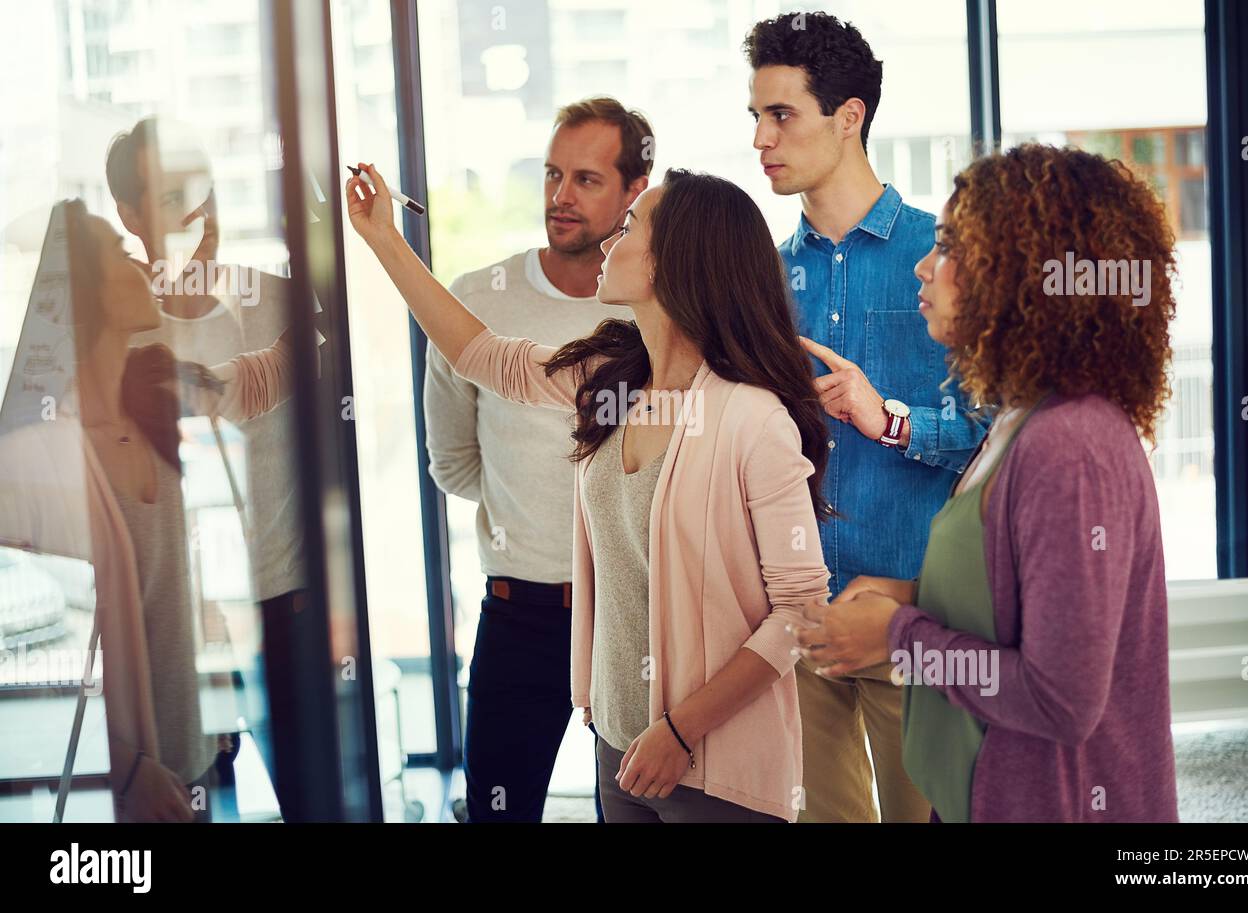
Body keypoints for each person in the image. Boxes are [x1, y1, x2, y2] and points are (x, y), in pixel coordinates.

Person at [348, 162, 833, 823]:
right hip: (619, 746)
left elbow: (801, 614)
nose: (610, 241)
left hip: (717, 767)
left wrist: (681, 731)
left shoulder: (753, 419)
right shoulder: (612, 380)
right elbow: (482, 355)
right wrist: (383, 239)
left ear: (673, 261)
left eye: (631, 227)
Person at [797, 143, 1181, 822]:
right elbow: (1017, 606)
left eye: (947, 247)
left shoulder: (1071, 447)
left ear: (1019, 274)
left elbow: (1061, 697)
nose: (921, 265)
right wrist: (915, 596)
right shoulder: (1022, 418)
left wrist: (899, 634)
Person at [744, 11, 988, 823]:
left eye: (781, 115)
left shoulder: (941, 257)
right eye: (755, 117)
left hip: (914, 620)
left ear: (849, 117)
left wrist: (890, 418)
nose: (761, 140)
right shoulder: (762, 282)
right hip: (801, 624)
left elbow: (996, 429)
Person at [0, 199, 295, 822]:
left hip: (196, 755)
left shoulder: (153, 395)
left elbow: (262, 377)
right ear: (84, 293)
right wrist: (127, 767)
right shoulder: (38, 456)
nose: (139, 260)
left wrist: (329, 268)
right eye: (119, 252)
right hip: (118, 786)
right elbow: (28, 659)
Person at [422, 97, 648, 823]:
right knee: (497, 813)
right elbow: (454, 462)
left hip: (633, 616)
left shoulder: (659, 312)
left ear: (634, 191)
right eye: (553, 174)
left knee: (640, 810)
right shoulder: (475, 304)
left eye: (586, 179)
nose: (560, 196)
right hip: (520, 616)